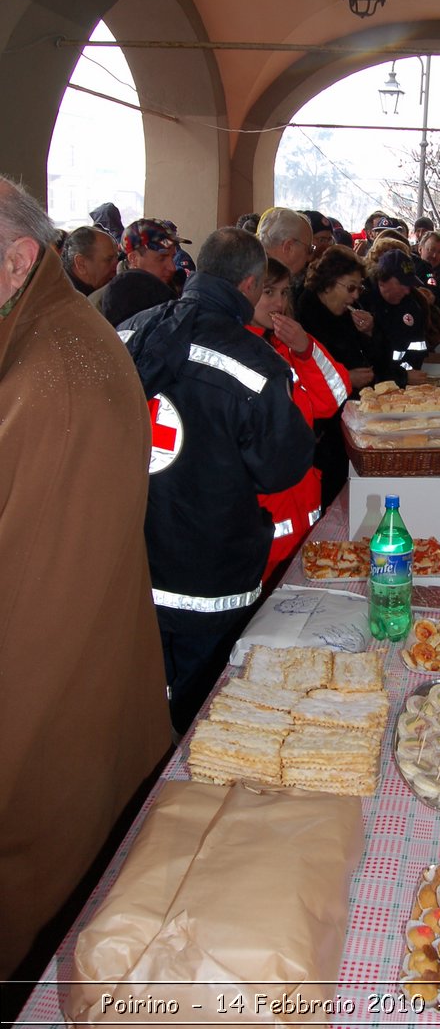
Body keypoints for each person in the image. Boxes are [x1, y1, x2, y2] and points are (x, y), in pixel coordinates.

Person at [0, 177, 171, 979]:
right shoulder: (46, 342)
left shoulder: (51, 375)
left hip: (42, 748)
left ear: (16, 262)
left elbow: (26, 614)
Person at [119, 227, 316, 734]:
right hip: (211, 578)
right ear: (250, 285)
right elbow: (282, 468)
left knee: (139, 700)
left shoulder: (125, 332)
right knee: (205, 716)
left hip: (128, 563)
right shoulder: (254, 362)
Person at [248, 256, 350, 577]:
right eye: (269, 292)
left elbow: (332, 398)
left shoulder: (284, 344)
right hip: (264, 516)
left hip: (299, 506)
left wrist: (305, 350)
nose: (279, 302)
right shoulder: (238, 350)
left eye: (283, 292)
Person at [296, 246, 389, 507]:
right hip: (324, 429)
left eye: (359, 288)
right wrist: (347, 378)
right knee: (328, 495)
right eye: (350, 288)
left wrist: (370, 332)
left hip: (351, 415)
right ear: (327, 284)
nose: (356, 295)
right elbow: (308, 373)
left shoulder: (348, 313)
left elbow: (378, 356)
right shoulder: (307, 313)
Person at [361, 248, 430, 381]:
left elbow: (417, 351)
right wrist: (401, 377)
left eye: (409, 285)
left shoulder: (412, 307)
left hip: (402, 385)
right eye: (401, 284)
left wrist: (404, 376)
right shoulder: (362, 302)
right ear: (382, 279)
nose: (407, 291)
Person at [61, 224, 119, 294]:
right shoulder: (64, 299)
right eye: (108, 260)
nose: (117, 266)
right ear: (81, 264)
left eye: (117, 258)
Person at [257, 207, 313, 275]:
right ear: (289, 247)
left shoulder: (254, 269)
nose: (309, 258)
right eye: (309, 250)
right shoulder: (262, 280)